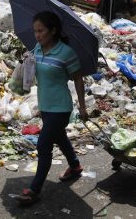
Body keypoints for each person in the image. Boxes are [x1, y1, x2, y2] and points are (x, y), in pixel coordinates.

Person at [17, 11, 88, 206]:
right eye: (35, 31)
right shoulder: (37, 50)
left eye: (41, 31)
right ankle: (75, 165)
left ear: (53, 30)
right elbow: (33, 74)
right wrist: (27, 62)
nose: (37, 35)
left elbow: (79, 79)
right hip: (45, 106)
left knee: (43, 145)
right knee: (59, 137)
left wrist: (82, 107)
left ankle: (34, 189)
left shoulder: (66, 53)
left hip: (61, 108)